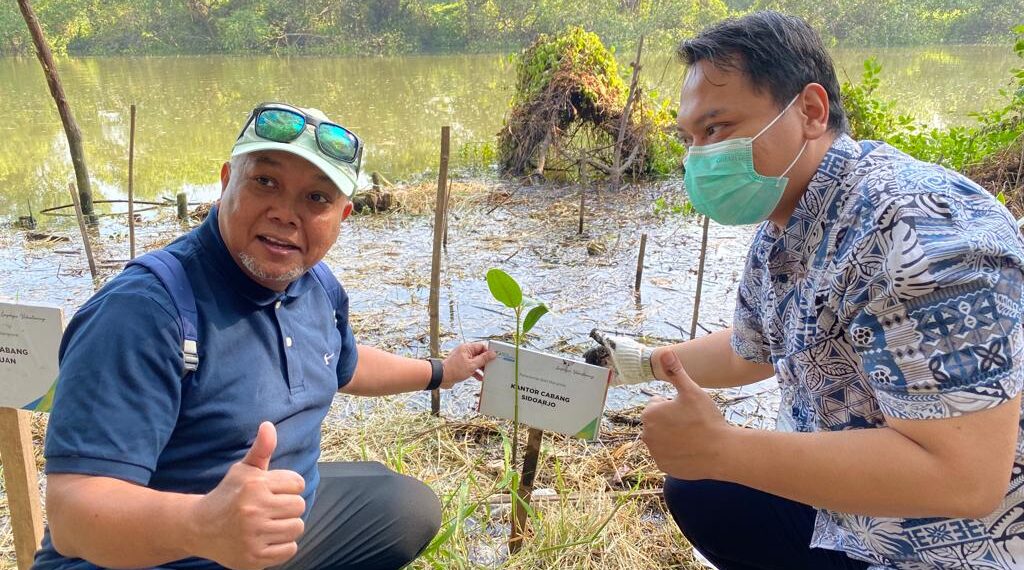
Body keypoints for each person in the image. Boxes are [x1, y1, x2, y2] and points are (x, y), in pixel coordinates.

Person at [591, 11, 1024, 570]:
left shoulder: (919, 228)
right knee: (700, 491)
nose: (698, 157)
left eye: (717, 129)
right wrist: (633, 363)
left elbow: (964, 478)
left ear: (811, 111)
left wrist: (725, 447)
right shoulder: (785, 221)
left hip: (942, 542)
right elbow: (753, 350)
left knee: (712, 471)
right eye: (690, 138)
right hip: (840, 509)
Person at [34, 102, 496, 570]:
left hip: (270, 531)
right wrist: (201, 525)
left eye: (316, 198)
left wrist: (442, 371)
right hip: (155, 553)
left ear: (343, 215)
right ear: (225, 182)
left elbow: (343, 364)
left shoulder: (316, 286)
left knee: (404, 508)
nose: (285, 213)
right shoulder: (142, 312)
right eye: (265, 182)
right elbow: (73, 516)